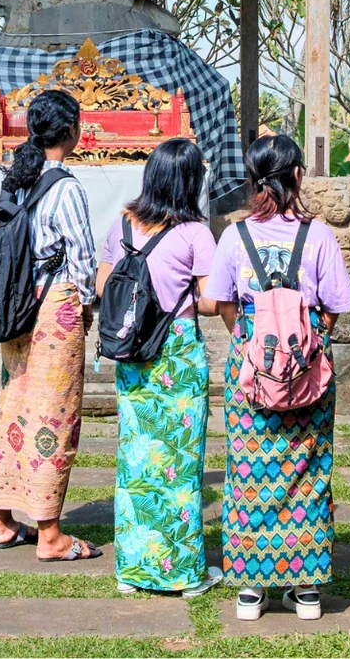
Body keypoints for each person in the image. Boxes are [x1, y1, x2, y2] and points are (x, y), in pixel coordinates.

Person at [202, 133, 350, 623]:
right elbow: (334, 305)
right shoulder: (320, 235)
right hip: (308, 362)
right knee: (309, 470)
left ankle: (251, 589)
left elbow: (221, 302)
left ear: (253, 180)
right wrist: (310, 340)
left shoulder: (234, 236)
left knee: (248, 470)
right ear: (297, 175)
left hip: (250, 362)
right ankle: (306, 590)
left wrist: (248, 339)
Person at [95, 137, 218, 597]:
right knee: (180, 461)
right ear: (190, 183)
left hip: (132, 351)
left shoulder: (122, 225)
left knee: (137, 458)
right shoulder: (195, 235)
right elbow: (210, 303)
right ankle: (182, 573)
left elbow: (103, 285)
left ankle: (133, 570)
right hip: (176, 351)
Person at [0, 88, 102, 563]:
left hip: (15, 306)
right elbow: (83, 258)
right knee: (55, 414)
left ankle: (4, 519)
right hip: (55, 307)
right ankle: (50, 534)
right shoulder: (66, 188)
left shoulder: (17, 179)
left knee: (14, 405)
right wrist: (88, 306)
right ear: (72, 130)